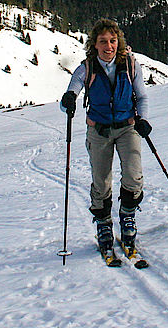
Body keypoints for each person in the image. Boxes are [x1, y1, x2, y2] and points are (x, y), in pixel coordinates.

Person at [60, 18, 152, 255]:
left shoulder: (131, 65)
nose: (108, 46)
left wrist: (142, 118)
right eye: (103, 42)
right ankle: (103, 224)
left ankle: (127, 216)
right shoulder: (87, 67)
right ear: (95, 44)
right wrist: (69, 99)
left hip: (128, 126)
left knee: (133, 175)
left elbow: (141, 96)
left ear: (118, 42)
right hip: (99, 130)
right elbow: (72, 90)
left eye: (112, 41)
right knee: (101, 181)